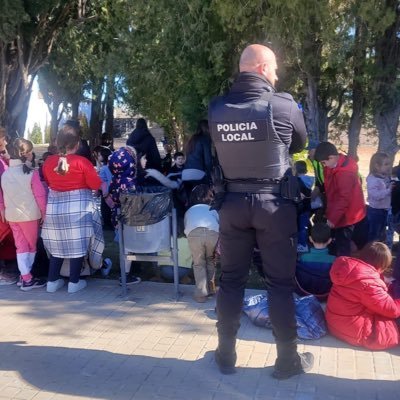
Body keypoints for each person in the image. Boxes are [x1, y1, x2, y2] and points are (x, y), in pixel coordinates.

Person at [208, 44, 313, 379]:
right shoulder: (282, 104)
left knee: (231, 281)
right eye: (276, 67)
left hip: (233, 205)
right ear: (263, 67)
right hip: (274, 206)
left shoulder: (217, 108)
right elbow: (299, 143)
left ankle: (225, 355)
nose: (278, 74)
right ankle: (287, 362)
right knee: (280, 285)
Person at [41, 125, 102, 293]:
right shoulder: (82, 162)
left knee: (57, 244)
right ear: (77, 144)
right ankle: (74, 282)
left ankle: (52, 281)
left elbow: (48, 181)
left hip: (54, 209)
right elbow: (95, 184)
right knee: (78, 244)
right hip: (78, 209)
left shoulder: (48, 162)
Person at [326, 241, 400, 350]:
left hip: (335, 322)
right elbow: (393, 311)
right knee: (392, 330)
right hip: (353, 329)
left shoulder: (349, 270)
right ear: (381, 266)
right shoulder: (368, 283)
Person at [0, 139, 47, 290]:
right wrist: (44, 213)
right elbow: (40, 196)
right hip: (29, 215)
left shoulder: (6, 174)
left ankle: (25, 275)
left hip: (12, 215)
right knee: (31, 245)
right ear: (26, 154)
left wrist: (3, 208)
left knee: (20, 246)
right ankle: (27, 277)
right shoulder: (31, 174)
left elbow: (2, 194)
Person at [314, 142, 366, 256]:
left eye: (324, 163)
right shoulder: (332, 165)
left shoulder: (345, 174)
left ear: (331, 157)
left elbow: (343, 199)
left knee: (343, 243)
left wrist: (332, 218)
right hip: (337, 210)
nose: (324, 165)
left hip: (347, 215)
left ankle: (343, 266)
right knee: (337, 240)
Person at [184, 184, 219, 303]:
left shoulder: (189, 210)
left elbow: (186, 225)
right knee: (210, 260)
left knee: (198, 263)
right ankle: (212, 290)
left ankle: (201, 294)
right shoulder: (212, 209)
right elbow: (218, 222)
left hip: (194, 233)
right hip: (212, 233)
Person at [296, 223, 336, 299]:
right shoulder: (334, 260)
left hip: (306, 290)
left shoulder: (303, 257)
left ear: (310, 239)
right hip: (325, 292)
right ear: (330, 240)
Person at [182, 120, 213, 200]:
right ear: (207, 128)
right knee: (205, 200)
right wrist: (210, 177)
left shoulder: (192, 139)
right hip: (198, 174)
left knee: (190, 202)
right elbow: (208, 161)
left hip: (185, 175)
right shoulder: (205, 139)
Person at [366, 152, 392, 242]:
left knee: (382, 234)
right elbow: (375, 195)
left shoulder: (385, 177)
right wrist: (389, 190)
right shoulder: (373, 179)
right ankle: (371, 252)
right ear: (376, 166)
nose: (388, 166)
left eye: (389, 164)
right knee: (374, 235)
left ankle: (380, 253)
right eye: (386, 164)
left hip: (384, 210)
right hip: (375, 211)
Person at [294, 160, 314, 253]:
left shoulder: (296, 181)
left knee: (299, 227)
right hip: (307, 207)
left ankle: (301, 244)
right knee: (304, 226)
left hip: (299, 208)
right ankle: (304, 243)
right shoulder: (310, 180)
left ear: (295, 170)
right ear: (306, 170)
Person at [93, 145, 113, 230]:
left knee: (105, 208)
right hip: (106, 190)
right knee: (106, 208)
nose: (98, 157)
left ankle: (107, 224)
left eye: (100, 155)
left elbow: (108, 180)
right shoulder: (106, 167)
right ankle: (108, 223)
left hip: (105, 191)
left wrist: (106, 191)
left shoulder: (105, 168)